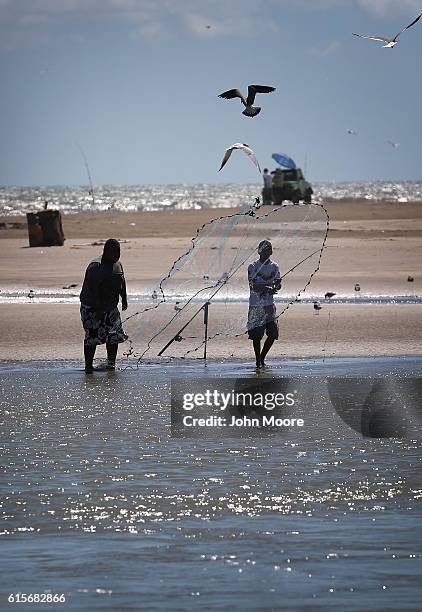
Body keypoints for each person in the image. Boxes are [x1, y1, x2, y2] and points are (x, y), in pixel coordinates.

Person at [80, 238, 128, 372]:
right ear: (105, 251)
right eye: (113, 252)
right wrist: (98, 309)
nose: (117, 255)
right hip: (92, 307)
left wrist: (124, 298)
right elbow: (93, 289)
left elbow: (122, 281)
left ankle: (111, 364)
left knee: (114, 336)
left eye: (118, 251)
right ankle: (88, 367)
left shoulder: (118, 265)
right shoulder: (96, 266)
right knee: (92, 336)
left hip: (111, 306)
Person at [247, 240, 281, 368]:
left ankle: (262, 358)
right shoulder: (253, 266)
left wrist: (277, 286)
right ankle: (257, 360)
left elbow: (278, 283)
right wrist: (268, 288)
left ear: (271, 252)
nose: (266, 253)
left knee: (273, 334)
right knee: (256, 336)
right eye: (263, 250)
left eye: (268, 250)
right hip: (256, 305)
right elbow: (253, 286)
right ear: (259, 251)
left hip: (269, 306)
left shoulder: (275, 267)